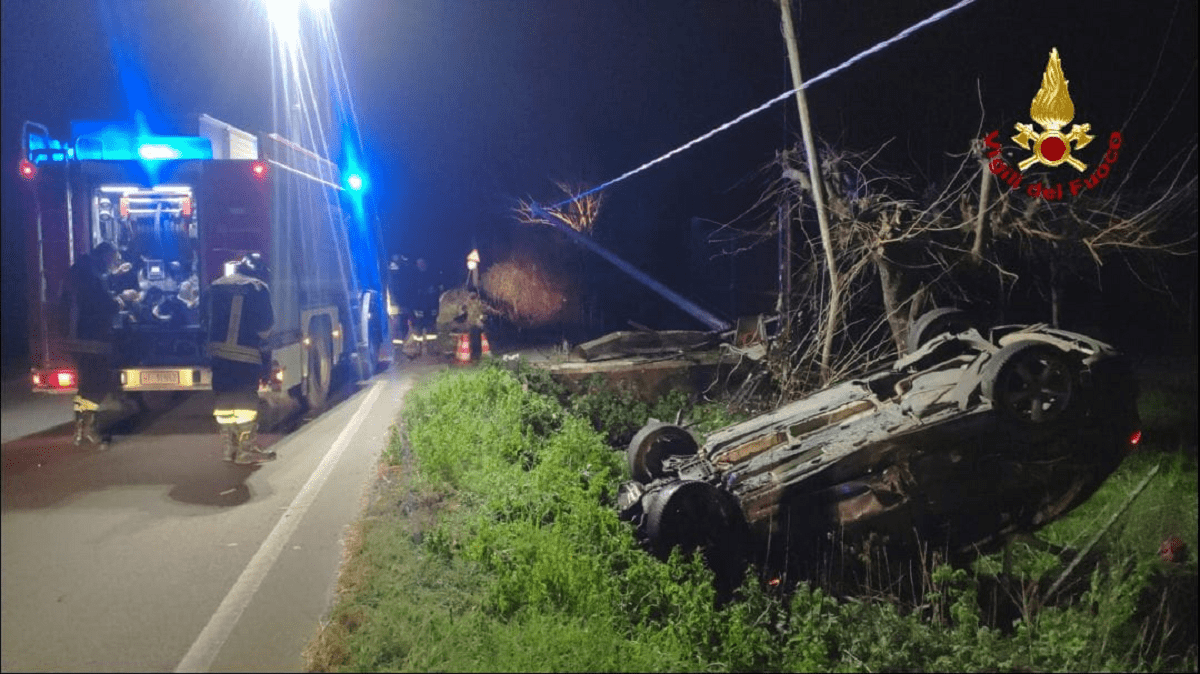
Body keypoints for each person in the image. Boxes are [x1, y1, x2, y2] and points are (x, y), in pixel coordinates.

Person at [203, 253, 276, 464]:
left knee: (224, 400)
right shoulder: (258, 288)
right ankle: (245, 450)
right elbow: (265, 327)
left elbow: (203, 319)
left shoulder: (215, 286)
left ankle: (228, 448)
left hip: (217, 355)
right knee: (245, 404)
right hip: (246, 355)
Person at [63, 241, 125, 449]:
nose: (112, 263)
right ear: (105, 255)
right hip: (92, 338)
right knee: (99, 383)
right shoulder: (91, 277)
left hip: (77, 337)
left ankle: (80, 429)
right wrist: (121, 301)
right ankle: (89, 428)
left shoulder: (80, 272)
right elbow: (102, 304)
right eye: (112, 259)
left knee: (86, 385)